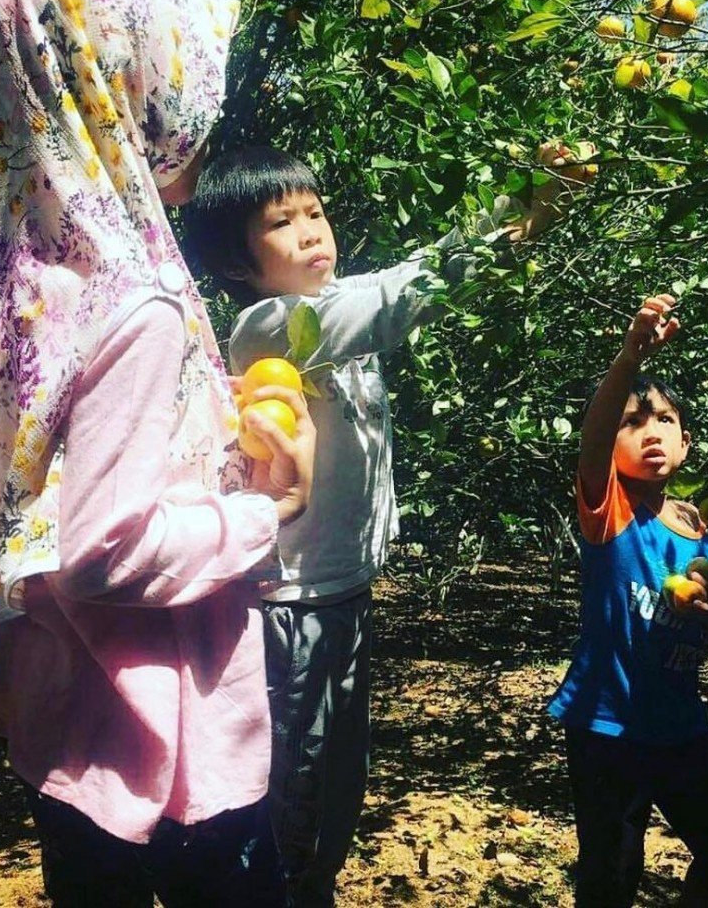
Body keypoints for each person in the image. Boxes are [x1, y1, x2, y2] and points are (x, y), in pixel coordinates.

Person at [0, 0, 317, 907]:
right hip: (170, 754)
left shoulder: (12, 294)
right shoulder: (137, 304)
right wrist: (265, 510)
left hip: (61, 730)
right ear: (124, 85)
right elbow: (105, 551)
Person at [182, 143, 581, 906]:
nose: (310, 230)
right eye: (281, 222)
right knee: (293, 786)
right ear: (236, 262)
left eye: (314, 212)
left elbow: (404, 277)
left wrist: (521, 209)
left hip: (346, 595)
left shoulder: (334, 309)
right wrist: (512, 216)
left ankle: (313, 888)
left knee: (339, 779)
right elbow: (401, 296)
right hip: (291, 603)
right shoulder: (270, 328)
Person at [547, 293, 708, 907]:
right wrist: (628, 359)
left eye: (664, 421)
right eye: (632, 422)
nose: (651, 433)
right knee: (612, 877)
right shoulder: (610, 512)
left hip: (679, 723)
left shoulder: (697, 529)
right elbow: (592, 440)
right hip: (608, 726)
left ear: (685, 443)